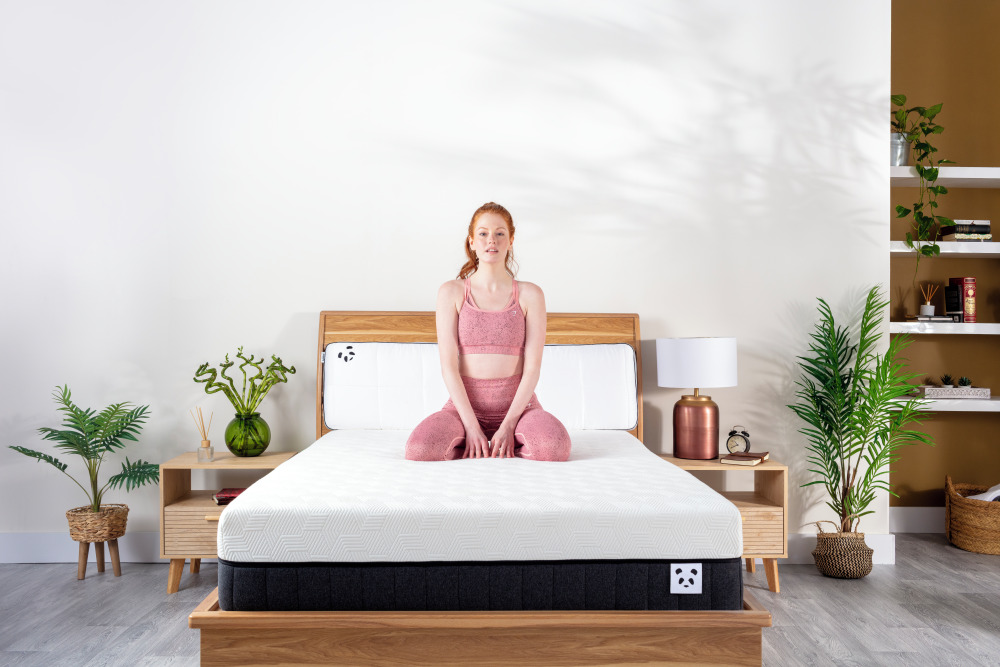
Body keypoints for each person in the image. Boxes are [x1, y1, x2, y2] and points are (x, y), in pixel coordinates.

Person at [405, 202, 571, 461]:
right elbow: (448, 367)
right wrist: (471, 427)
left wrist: (507, 425)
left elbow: (532, 369)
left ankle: (510, 439)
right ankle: (473, 440)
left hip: (520, 410)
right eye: (482, 233)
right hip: (463, 412)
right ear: (471, 241)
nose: (491, 240)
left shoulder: (531, 295)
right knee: (419, 450)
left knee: (555, 447)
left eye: (500, 233)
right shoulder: (451, 292)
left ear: (511, 240)